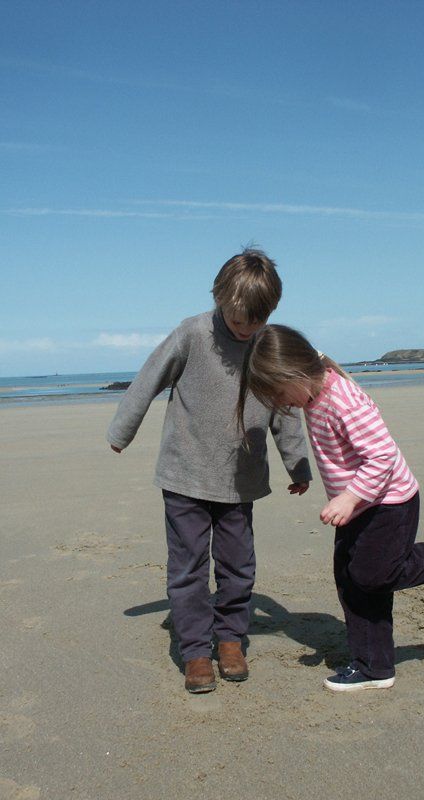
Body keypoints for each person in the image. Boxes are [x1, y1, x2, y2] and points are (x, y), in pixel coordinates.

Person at [107, 251, 312, 694]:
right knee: (188, 568)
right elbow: (148, 379)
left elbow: (285, 407)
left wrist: (297, 464)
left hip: (240, 481)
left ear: (269, 313)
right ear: (220, 299)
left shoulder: (266, 342)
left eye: (255, 322)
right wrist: (122, 429)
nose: (245, 330)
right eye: (238, 321)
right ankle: (196, 650)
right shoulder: (192, 333)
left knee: (238, 566)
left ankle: (231, 639)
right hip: (185, 475)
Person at [237, 324, 424, 693]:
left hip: (389, 502)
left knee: (373, 576)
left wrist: (349, 497)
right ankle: (373, 667)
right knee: (351, 582)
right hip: (359, 505)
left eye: (280, 393)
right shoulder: (313, 396)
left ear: (296, 373)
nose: (281, 403)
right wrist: (317, 482)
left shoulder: (342, 399)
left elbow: (383, 456)